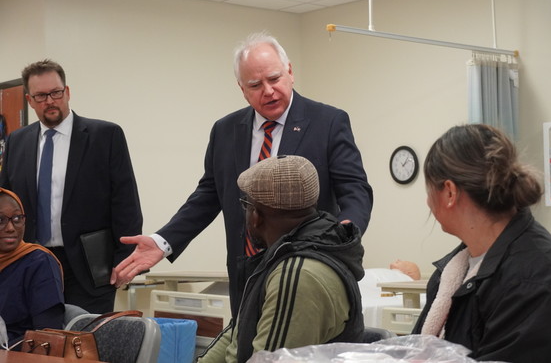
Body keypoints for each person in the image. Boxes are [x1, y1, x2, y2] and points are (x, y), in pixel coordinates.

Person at [112, 31, 373, 314]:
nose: (268, 91)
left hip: (308, 270)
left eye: (274, 79)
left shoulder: (328, 121)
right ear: (241, 88)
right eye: (255, 84)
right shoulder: (225, 130)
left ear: (290, 72)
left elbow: (355, 189)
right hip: (246, 273)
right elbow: (208, 196)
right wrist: (164, 242)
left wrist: (342, 236)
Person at [0, 59, 143, 313]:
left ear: (67, 92)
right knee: (35, 344)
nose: (50, 101)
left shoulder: (105, 136)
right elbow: (6, 203)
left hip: (90, 268)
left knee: (85, 344)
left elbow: (125, 202)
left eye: (56, 93)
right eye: (41, 96)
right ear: (30, 100)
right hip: (31, 263)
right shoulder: (17, 142)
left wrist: (126, 260)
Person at [412, 124, 551, 362]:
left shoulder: (536, 282)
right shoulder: (451, 273)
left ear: (449, 192)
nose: (428, 202)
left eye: (429, 189)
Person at [198, 155, 365, 363]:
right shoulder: (286, 255)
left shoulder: (297, 275)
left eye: (246, 205)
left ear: (256, 216)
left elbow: (267, 360)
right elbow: (238, 335)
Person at [0, 187, 64, 349]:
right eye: (0, 220)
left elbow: (47, 337)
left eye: (16, 218)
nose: (10, 228)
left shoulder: (39, 262)